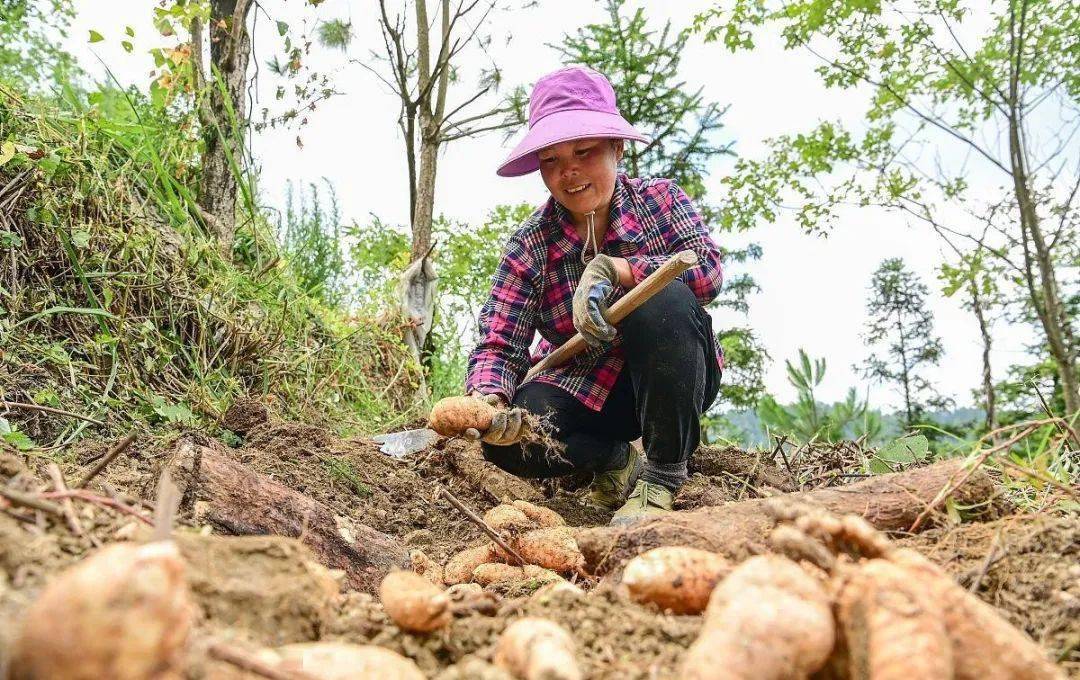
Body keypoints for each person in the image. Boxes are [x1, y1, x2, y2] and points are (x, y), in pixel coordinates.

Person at [464, 66, 723, 524]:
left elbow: (707, 274)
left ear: (616, 147)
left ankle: (663, 474)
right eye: (551, 160)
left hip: (674, 376)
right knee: (516, 434)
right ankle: (616, 462)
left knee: (661, 300)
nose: (570, 172)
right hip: (586, 387)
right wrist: (489, 401)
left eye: (584, 151)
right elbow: (499, 342)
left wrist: (619, 270)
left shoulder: (661, 201)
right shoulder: (531, 244)